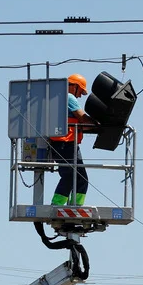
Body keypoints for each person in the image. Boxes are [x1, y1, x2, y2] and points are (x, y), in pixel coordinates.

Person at [48, 74, 98, 207]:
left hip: (66, 144)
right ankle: (60, 205)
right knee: (72, 176)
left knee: (78, 177)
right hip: (65, 144)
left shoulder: (59, 98)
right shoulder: (68, 97)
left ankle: (73, 205)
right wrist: (98, 125)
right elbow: (82, 118)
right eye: (80, 91)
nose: (80, 95)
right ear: (73, 86)